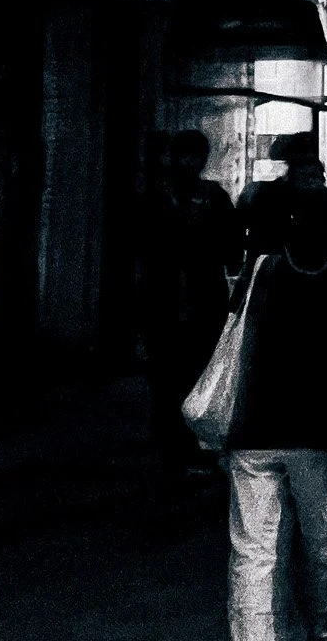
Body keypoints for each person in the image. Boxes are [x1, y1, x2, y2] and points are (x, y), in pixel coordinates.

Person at [224, 133, 327, 641]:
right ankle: (324, 626)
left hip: (253, 425)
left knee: (254, 546)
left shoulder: (259, 277)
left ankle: (254, 636)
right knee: (318, 536)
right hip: (317, 426)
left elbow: (229, 339)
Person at [141, 129, 242, 473]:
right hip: (178, 296)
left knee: (180, 373)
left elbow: (231, 246)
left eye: (193, 156)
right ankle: (178, 445)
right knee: (179, 373)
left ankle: (179, 445)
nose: (190, 163)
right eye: (186, 156)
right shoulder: (200, 196)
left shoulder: (189, 196)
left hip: (184, 297)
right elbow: (232, 248)